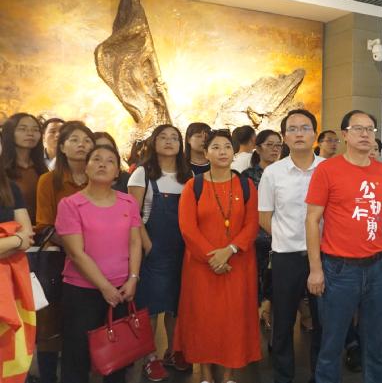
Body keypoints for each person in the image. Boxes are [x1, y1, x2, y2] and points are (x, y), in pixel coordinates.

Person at [305, 110, 382, 383]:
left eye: (370, 129)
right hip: (339, 270)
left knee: (374, 343)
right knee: (332, 343)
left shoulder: (381, 170)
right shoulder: (327, 169)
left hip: (376, 268)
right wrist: (316, 269)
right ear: (345, 135)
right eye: (358, 129)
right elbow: (312, 220)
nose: (365, 134)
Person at [175, 129, 260, 383]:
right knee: (203, 320)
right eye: (215, 147)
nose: (222, 152)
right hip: (202, 266)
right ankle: (206, 376)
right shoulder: (194, 186)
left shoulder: (245, 185)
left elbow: (252, 225)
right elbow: (187, 228)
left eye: (227, 147)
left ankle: (229, 375)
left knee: (233, 320)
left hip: (237, 264)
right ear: (205, 153)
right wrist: (212, 258)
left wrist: (229, 251)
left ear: (234, 152)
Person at [56, 144, 143, 383]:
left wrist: (133, 278)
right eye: (96, 159)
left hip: (122, 290)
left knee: (118, 359)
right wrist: (105, 287)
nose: (102, 164)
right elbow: (76, 253)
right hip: (81, 292)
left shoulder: (128, 202)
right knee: (77, 357)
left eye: (110, 160)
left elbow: (135, 242)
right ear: (86, 168)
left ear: (117, 172)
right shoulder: (70, 204)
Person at [259, 109, 324, 383]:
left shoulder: (329, 169)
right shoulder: (273, 173)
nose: (299, 133)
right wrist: (285, 237)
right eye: (293, 129)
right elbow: (264, 217)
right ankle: (283, 376)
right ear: (285, 136)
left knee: (323, 322)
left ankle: (320, 375)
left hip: (324, 256)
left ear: (314, 134)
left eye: (305, 128)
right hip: (286, 257)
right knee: (283, 322)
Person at [128, 125, 192, 381]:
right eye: (163, 137)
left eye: (174, 138)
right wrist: (148, 245)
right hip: (152, 249)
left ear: (181, 144)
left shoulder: (188, 175)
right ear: (154, 143)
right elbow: (132, 216)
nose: (169, 141)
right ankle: (150, 356)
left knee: (177, 305)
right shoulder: (142, 173)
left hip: (182, 250)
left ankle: (173, 351)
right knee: (150, 307)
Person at [34, 121, 95, 383]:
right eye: (74, 140)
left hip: (96, 263)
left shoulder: (99, 179)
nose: (82, 145)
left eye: (87, 140)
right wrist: (78, 248)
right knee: (51, 324)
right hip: (58, 260)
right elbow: (45, 226)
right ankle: (48, 377)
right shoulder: (49, 181)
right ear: (62, 147)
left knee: (84, 326)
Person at [0, 157, 36, 383]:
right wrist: (14, 239)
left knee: (9, 350)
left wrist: (12, 240)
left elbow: (28, 236)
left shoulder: (10, 188)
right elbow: (20, 239)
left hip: (10, 286)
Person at [243, 129, 282, 325]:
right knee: (258, 277)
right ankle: (260, 311)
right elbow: (248, 208)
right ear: (258, 149)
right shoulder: (248, 176)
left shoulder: (285, 172)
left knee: (279, 279)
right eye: (270, 145)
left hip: (283, 235)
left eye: (278, 145)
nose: (275, 149)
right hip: (258, 236)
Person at [2, 113, 48, 221]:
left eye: (35, 130)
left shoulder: (42, 169)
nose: (30, 133)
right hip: (10, 228)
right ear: (9, 133)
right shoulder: (2, 169)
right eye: (22, 129)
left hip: (42, 228)